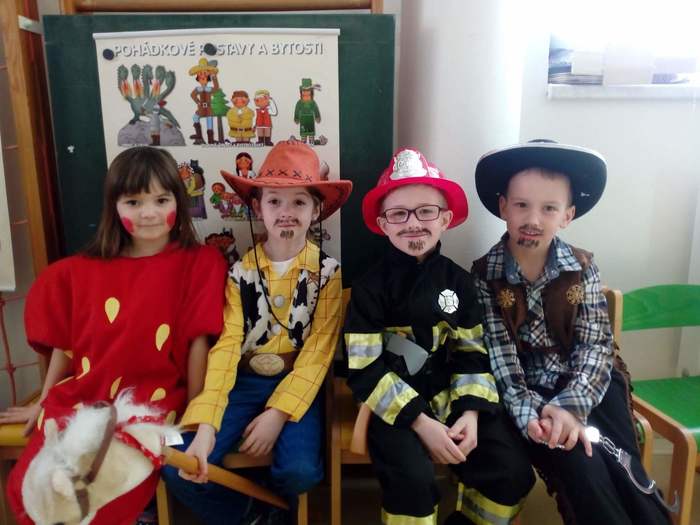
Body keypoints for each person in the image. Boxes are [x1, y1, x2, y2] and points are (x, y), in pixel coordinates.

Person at [0, 146, 227, 525]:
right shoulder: (80, 271)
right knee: (35, 491)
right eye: (134, 202)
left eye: (161, 200)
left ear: (178, 202)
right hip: (85, 398)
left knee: (100, 496)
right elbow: (67, 346)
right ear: (114, 206)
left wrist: (194, 413)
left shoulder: (201, 263)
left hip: (154, 404)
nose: (149, 213)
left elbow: (198, 344)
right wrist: (44, 398)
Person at [471, 140, 671, 525]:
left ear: (567, 215)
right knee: (584, 471)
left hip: (591, 382)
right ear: (504, 207)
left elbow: (595, 344)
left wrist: (570, 406)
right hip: (530, 393)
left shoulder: (582, 267)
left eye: (549, 208)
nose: (533, 219)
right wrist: (536, 416)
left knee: (624, 467)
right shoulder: (485, 276)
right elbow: (502, 361)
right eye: (522, 205)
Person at [162, 139, 352, 525]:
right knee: (177, 465)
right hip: (242, 382)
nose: (286, 213)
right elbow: (226, 348)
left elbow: (317, 354)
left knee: (299, 472)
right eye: (274, 201)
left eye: (299, 202)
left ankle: (281, 505)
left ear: (316, 210)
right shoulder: (239, 274)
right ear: (257, 207)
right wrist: (206, 425)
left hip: (298, 381)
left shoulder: (328, 273)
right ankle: (253, 514)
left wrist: (277, 414)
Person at [344, 148, 534, 525]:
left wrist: (471, 414)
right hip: (393, 404)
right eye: (399, 214)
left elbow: (473, 354)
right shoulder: (368, 289)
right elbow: (365, 369)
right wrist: (421, 422)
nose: (413, 223)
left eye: (426, 211)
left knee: (510, 469)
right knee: (412, 482)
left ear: (445, 219)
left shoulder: (461, 283)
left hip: (454, 397)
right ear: (383, 224)